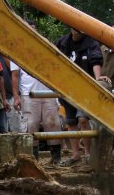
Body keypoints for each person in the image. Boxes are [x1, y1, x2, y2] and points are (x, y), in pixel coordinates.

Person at [56, 26, 104, 163]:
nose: (77, 32)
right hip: (67, 86)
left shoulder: (91, 43)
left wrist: (98, 77)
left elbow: (96, 60)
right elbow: (54, 58)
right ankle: (75, 154)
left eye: (80, 29)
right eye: (75, 29)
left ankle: (88, 153)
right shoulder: (62, 42)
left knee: (83, 119)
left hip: (85, 87)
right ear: (71, 28)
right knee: (71, 121)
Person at [20, 67, 62, 164]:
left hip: (50, 92)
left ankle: (56, 157)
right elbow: (15, 75)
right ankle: (33, 158)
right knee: (31, 125)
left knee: (53, 124)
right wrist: (16, 96)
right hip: (28, 93)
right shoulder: (19, 55)